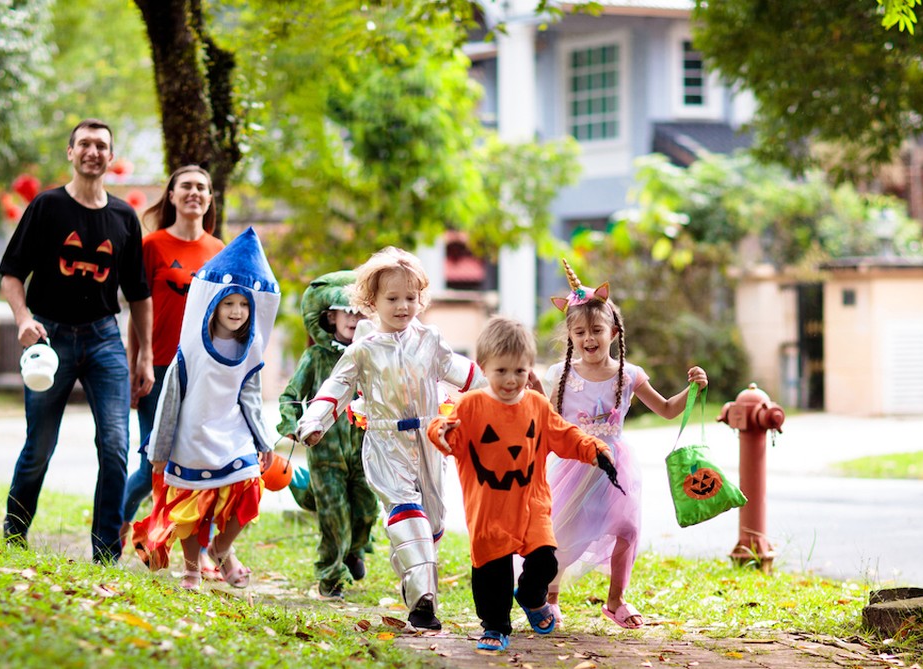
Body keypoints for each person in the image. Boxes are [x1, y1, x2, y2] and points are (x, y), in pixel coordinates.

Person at [296, 247, 485, 631]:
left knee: (431, 523)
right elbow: (339, 386)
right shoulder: (362, 350)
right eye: (392, 298)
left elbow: (461, 371)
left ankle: (413, 574)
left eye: (410, 298)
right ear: (371, 301)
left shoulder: (431, 339)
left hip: (430, 442)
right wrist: (314, 421)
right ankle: (423, 603)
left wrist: (502, 386)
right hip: (384, 443)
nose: (403, 306)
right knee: (406, 513)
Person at [0, 118, 153, 565]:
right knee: (40, 444)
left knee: (115, 446)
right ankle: (14, 532)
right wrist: (23, 318)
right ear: (71, 152)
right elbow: (11, 275)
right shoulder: (47, 207)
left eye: (101, 145)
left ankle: (106, 550)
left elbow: (139, 294)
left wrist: (143, 356)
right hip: (50, 336)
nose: (93, 151)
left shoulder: (124, 217)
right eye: (84, 143)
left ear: (110, 156)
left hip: (105, 339)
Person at [427, 317, 615, 653]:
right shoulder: (472, 406)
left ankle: (531, 596)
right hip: (489, 509)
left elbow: (564, 434)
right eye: (501, 372)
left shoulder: (537, 406)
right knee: (492, 574)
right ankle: (496, 626)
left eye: (519, 371)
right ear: (484, 367)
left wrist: (595, 450)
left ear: (530, 369)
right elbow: (446, 428)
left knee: (546, 560)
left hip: (531, 505)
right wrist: (440, 431)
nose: (511, 380)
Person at [544, 260, 708, 629]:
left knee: (627, 529)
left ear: (614, 332)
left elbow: (666, 409)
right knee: (563, 531)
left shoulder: (629, 375)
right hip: (574, 462)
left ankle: (615, 600)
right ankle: (550, 598)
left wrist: (694, 389)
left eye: (597, 330)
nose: (589, 338)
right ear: (570, 336)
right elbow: (544, 419)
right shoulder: (559, 375)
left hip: (616, 466)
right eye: (580, 331)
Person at [131, 227, 281, 591]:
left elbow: (250, 399)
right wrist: (160, 448)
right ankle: (191, 569)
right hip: (192, 434)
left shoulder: (251, 352)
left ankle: (221, 548)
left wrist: (264, 441)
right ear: (214, 305)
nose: (236, 311)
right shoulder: (193, 348)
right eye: (229, 303)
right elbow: (170, 399)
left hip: (233, 432)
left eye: (244, 304)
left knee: (248, 488)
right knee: (191, 505)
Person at [120, 165, 225, 558]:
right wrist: (137, 364)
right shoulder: (152, 246)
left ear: (210, 198)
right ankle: (115, 526)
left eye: (202, 187)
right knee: (154, 459)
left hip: (202, 370)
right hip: (159, 365)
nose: (194, 193)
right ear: (172, 196)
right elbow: (137, 308)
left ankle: (198, 549)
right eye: (186, 186)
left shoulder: (219, 251)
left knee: (202, 458)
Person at [277, 270, 379, 601]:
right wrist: (291, 424)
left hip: (365, 453)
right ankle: (331, 576)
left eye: (359, 312)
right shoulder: (315, 357)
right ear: (329, 316)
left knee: (366, 509)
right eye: (345, 311)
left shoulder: (371, 355)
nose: (353, 318)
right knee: (334, 517)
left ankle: (356, 549)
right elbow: (290, 396)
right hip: (325, 456)